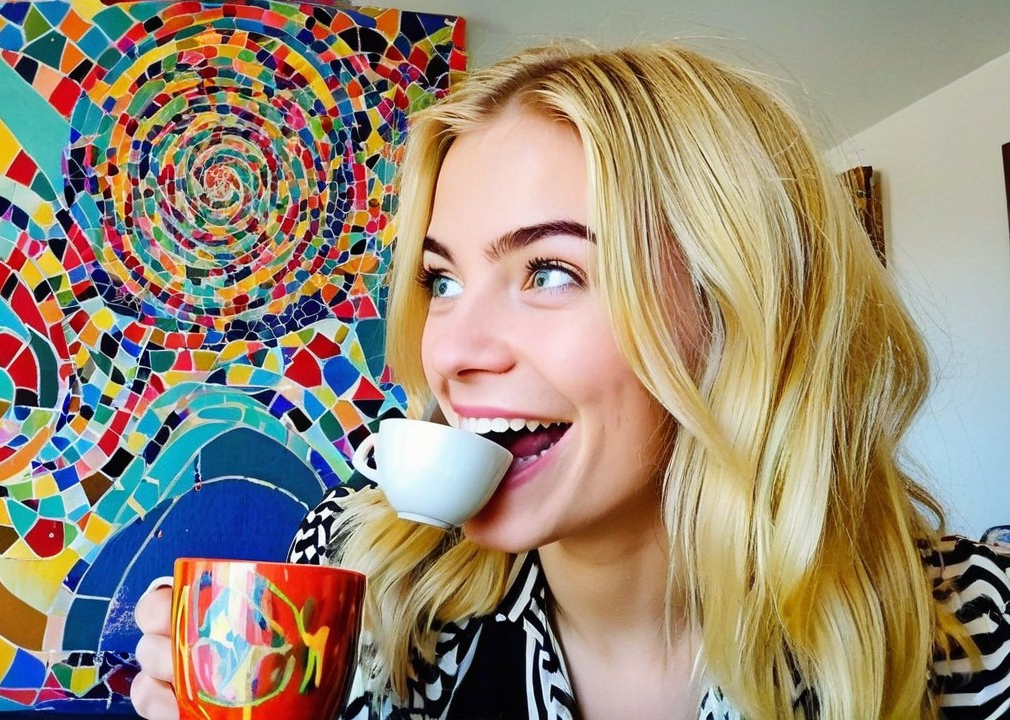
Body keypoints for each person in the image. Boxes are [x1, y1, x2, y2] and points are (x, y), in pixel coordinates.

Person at [132, 42, 1010, 719]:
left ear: (734, 311)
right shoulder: (355, 572)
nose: (454, 351)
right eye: (441, 281)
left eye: (550, 271)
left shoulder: (972, 636)